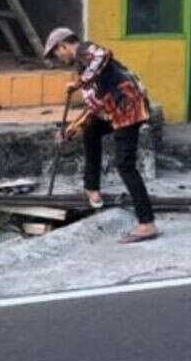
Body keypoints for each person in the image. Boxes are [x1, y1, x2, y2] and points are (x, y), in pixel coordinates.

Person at [43, 27, 159, 243]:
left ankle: (147, 223)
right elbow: (94, 107)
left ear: (63, 46)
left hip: (128, 110)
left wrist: (78, 83)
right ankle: (91, 187)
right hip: (117, 112)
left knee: (125, 165)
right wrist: (70, 130)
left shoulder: (85, 50)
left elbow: (103, 55)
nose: (58, 58)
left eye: (56, 53)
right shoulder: (83, 66)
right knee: (91, 131)